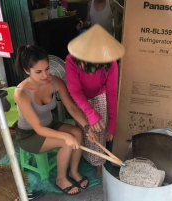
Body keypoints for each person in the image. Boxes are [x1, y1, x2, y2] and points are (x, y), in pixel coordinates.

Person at [14, 45, 99, 195]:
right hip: (30, 134)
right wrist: (65, 136)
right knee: (66, 141)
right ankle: (61, 179)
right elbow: (38, 128)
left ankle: (73, 171)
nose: (45, 75)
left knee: (78, 133)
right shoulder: (21, 93)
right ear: (27, 71)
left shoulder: (56, 81)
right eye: (38, 72)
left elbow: (72, 108)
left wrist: (88, 127)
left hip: (50, 125)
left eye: (47, 68)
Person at [65, 24, 125, 178]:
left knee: (100, 130)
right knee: (85, 129)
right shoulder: (71, 60)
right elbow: (75, 91)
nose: (91, 72)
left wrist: (112, 122)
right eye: (87, 66)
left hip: (99, 94)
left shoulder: (110, 63)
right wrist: (90, 112)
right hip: (80, 97)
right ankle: (86, 157)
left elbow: (111, 92)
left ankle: (99, 164)